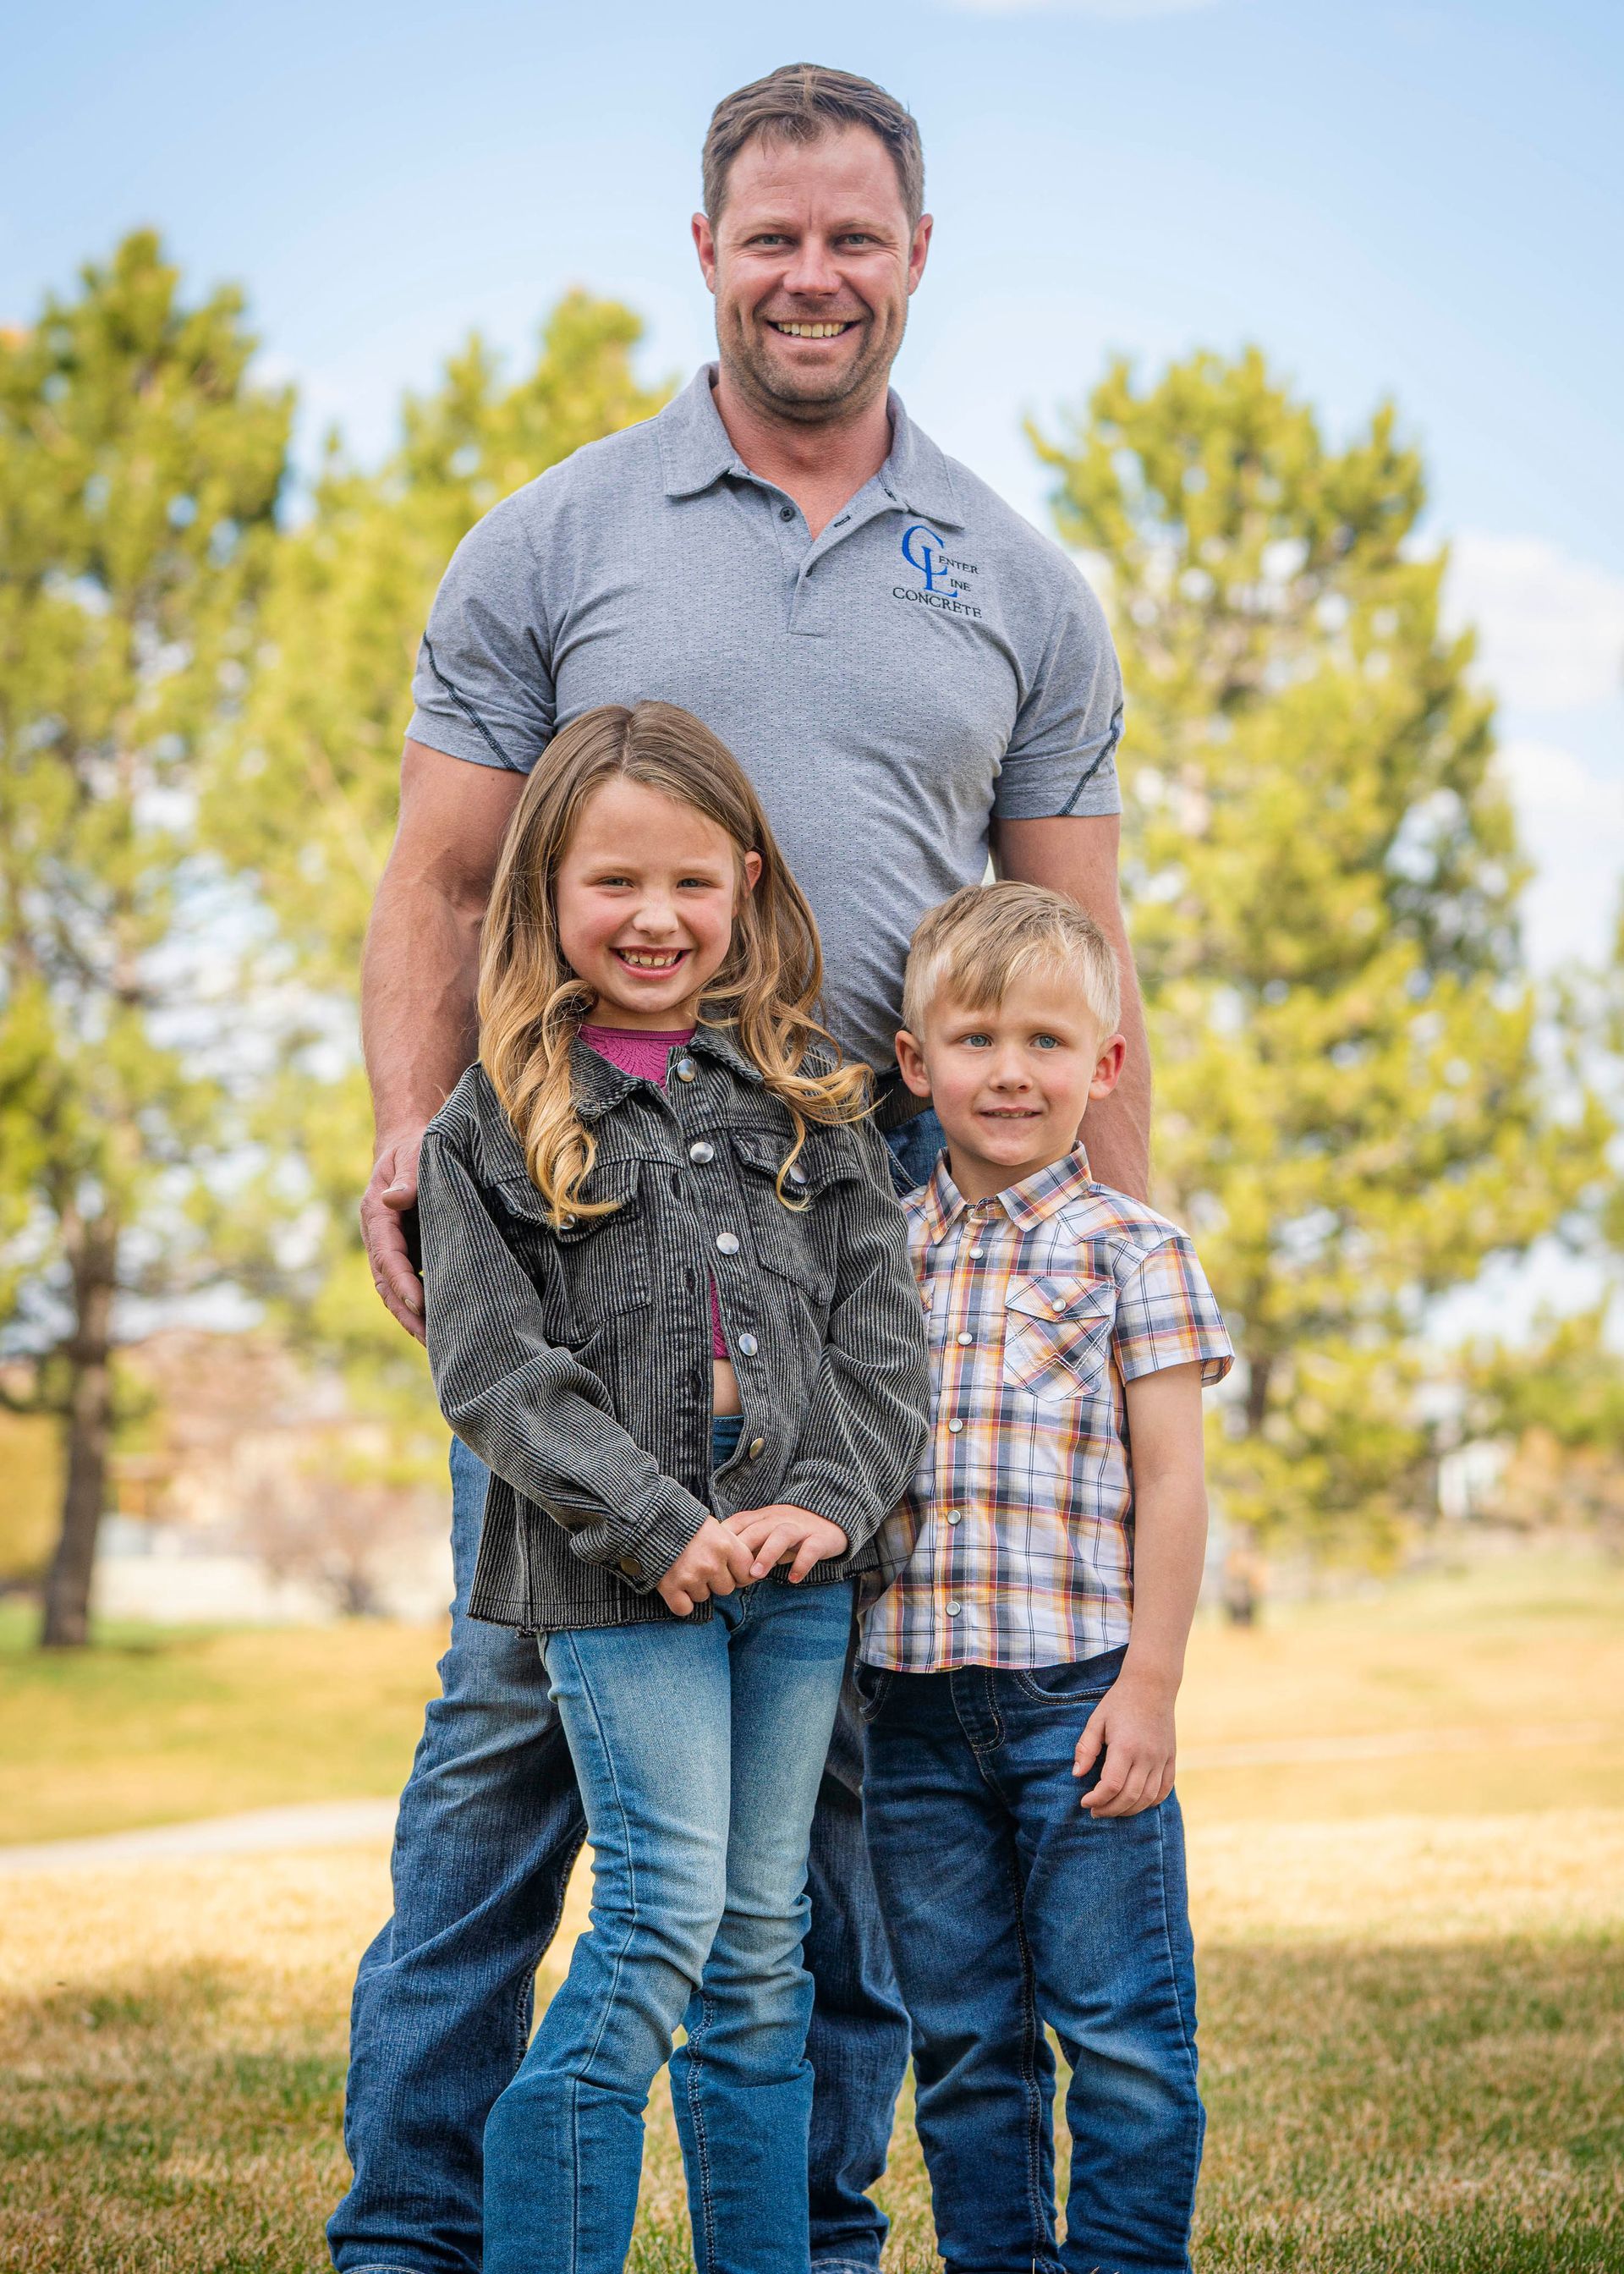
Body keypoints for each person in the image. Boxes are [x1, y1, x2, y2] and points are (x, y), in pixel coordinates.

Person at [337, 62, 1148, 2274]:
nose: (814, 275)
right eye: (772, 236)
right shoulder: (556, 536)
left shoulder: (1017, 580)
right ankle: (410, 2239)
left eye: (854, 236)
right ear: (705, 252)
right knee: (504, 1753)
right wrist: (416, 1132)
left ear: (917, 256)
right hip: (583, 1205)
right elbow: (440, 877)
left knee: (832, 1809)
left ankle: (803, 2236)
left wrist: (1104, 1261)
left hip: (862, 1227)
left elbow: (1084, 952)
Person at [416, 700, 929, 2274]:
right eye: (615, 882)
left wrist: (830, 1503)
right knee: (655, 1922)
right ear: (547, 893)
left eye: (692, 883)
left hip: (796, 1581)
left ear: (747, 884)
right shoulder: (495, 1118)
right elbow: (492, 1370)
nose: (656, 918)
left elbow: (881, 1341)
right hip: (613, 1585)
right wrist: (658, 1526)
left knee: (763, 1954)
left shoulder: (815, 1100)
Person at [855, 882, 1232, 2274]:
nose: (1009, 1071)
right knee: (963, 2043)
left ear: (1105, 1064)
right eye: (975, 1040)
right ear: (917, 1064)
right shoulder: (876, 1254)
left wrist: (1151, 1686)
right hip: (907, 1712)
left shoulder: (1136, 1251)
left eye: (1046, 1042)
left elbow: (1176, 1484)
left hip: (1079, 1704)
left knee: (1122, 2033)